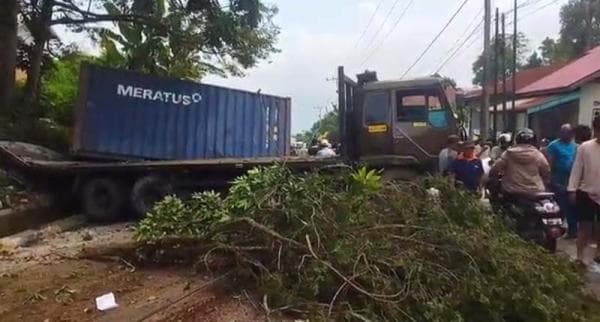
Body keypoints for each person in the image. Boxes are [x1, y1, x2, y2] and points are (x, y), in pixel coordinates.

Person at [567, 116, 600, 265]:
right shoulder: (585, 147)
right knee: (584, 226)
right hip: (586, 192)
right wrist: (572, 189)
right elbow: (576, 170)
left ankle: (598, 254)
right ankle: (579, 256)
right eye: (598, 130)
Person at [489, 128, 550, 195]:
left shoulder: (509, 153)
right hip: (535, 191)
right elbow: (546, 170)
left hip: (512, 191)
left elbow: (494, 169)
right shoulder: (538, 155)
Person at [545, 124, 577, 238]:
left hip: (572, 181)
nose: (567, 135)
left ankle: (573, 231)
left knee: (572, 207)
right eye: (564, 132)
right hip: (558, 181)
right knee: (562, 206)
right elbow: (549, 164)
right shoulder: (554, 146)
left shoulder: (575, 146)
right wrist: (549, 180)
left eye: (569, 133)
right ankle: (557, 230)